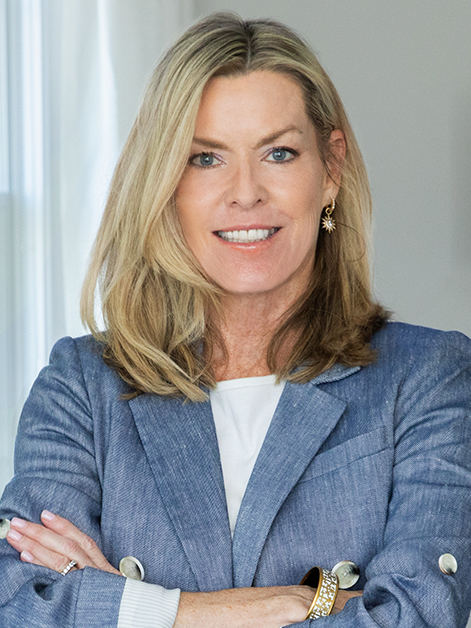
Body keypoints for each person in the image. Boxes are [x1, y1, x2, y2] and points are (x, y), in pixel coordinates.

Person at [1, 11, 470, 628]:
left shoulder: (430, 376)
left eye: (279, 153)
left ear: (330, 171)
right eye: (205, 158)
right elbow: (20, 604)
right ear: (164, 183)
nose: (246, 192)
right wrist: (277, 605)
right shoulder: (81, 387)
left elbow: (418, 614)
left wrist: (127, 607)